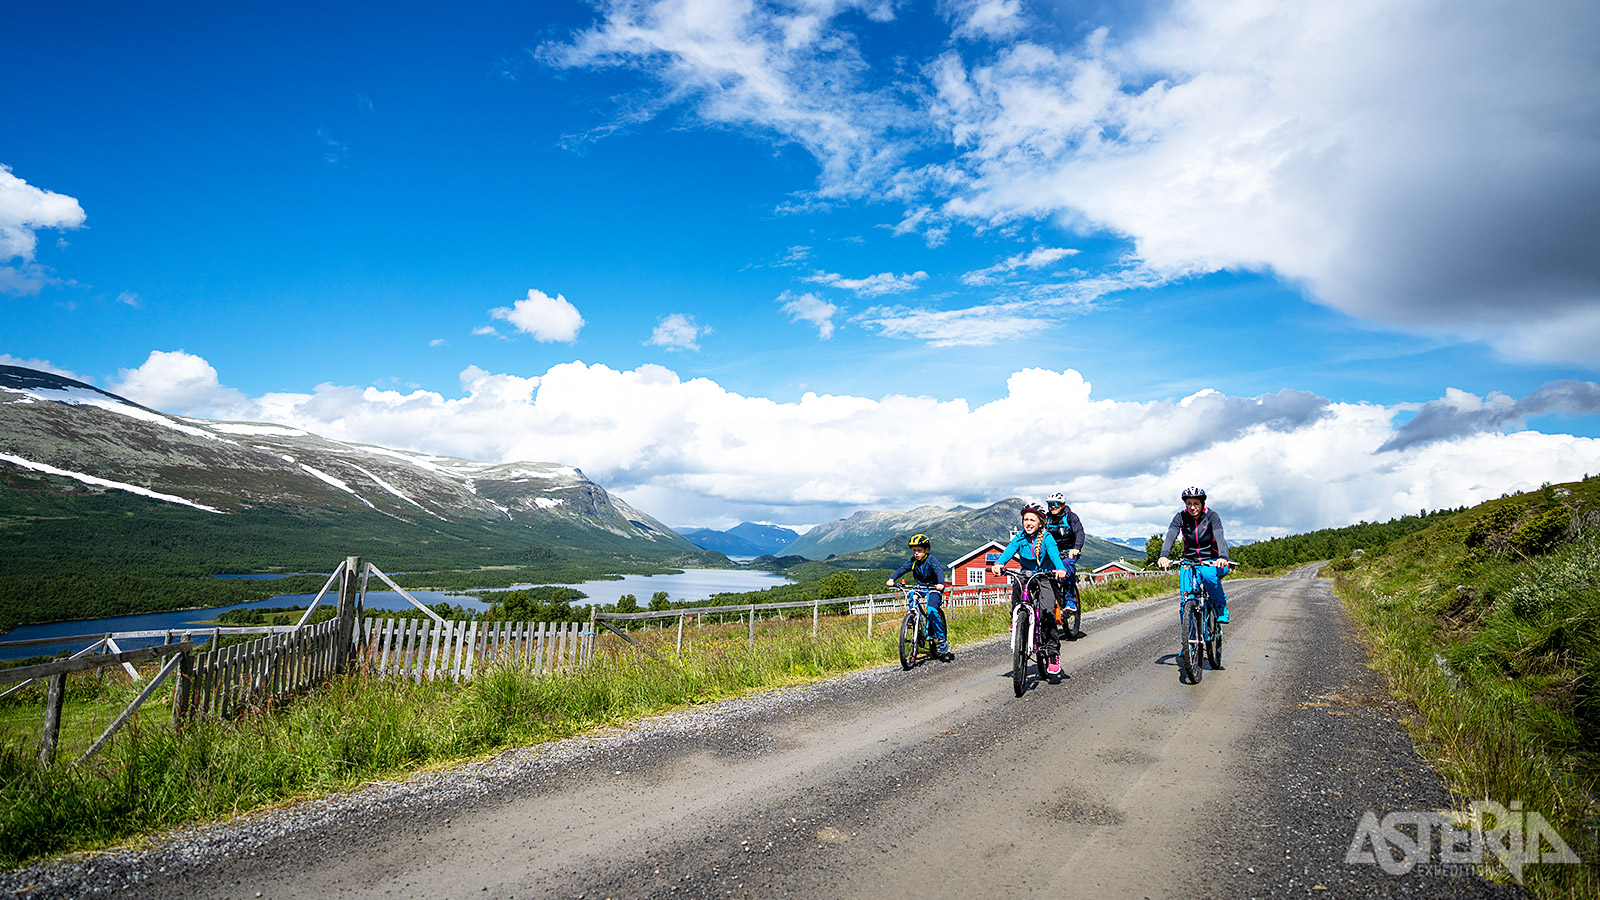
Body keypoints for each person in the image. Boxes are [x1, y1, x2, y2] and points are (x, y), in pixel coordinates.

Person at [990, 502, 1071, 681]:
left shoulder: (1047, 538)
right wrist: (999, 564)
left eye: (1032, 519)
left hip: (1045, 576)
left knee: (1048, 611)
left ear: (1040, 522)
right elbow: (1008, 552)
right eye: (1025, 519)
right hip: (1026, 575)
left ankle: (1052, 654)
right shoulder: (1019, 538)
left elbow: (1055, 556)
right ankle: (1017, 619)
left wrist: (1059, 569)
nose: (1028, 523)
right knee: (1018, 585)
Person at [1157, 486, 1231, 623]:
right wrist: (1164, 555)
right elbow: (1171, 535)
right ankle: (1189, 641)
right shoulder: (1180, 517)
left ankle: (1220, 606)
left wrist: (1223, 557)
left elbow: (1220, 537)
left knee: (1209, 577)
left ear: (1202, 503)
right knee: (1185, 601)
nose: (1192, 507)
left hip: (1211, 560)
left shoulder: (1212, 516)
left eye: (1196, 503)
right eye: (1189, 503)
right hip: (1189, 561)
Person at [887, 533, 953, 661]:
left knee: (932, 610)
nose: (916, 553)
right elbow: (902, 569)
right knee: (912, 594)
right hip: (921, 587)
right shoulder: (913, 561)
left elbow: (939, 571)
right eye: (914, 551)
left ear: (926, 550)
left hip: (934, 588)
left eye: (919, 550)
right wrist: (892, 579)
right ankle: (914, 619)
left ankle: (941, 638)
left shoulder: (932, 560)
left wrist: (940, 584)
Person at [1044, 491, 1084, 637]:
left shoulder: (1071, 517)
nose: (1052, 507)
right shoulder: (1047, 519)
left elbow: (1080, 532)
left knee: (1067, 565)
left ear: (1063, 505)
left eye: (1055, 504)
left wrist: (1076, 548)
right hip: (1053, 551)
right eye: (1050, 504)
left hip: (1069, 550)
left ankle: (1070, 600)